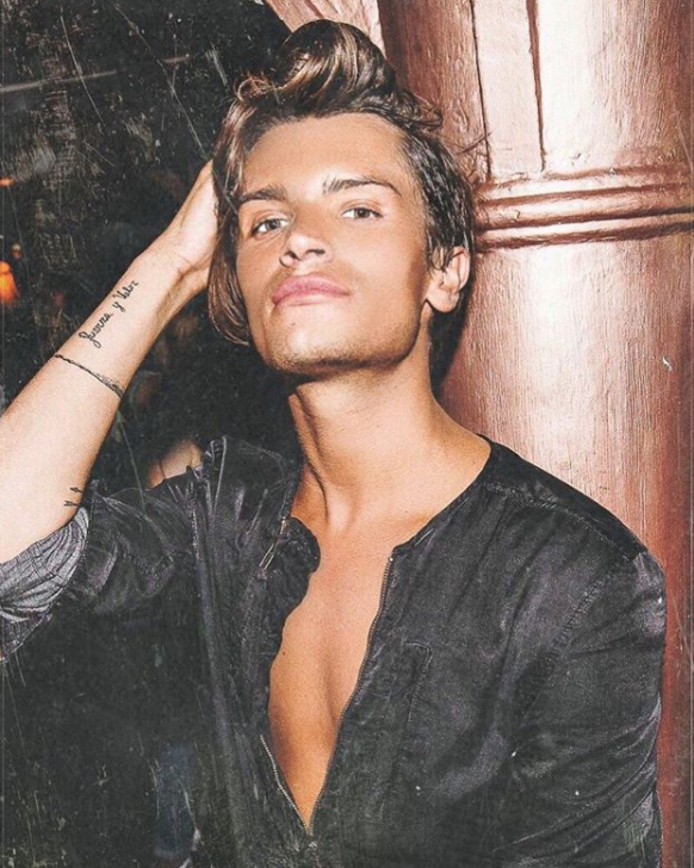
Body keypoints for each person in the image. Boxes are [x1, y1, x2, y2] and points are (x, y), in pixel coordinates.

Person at [0, 21, 664, 867]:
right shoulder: (222, 521)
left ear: (444, 269)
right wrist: (173, 264)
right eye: (265, 222)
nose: (300, 238)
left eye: (358, 208)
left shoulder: (571, 577)